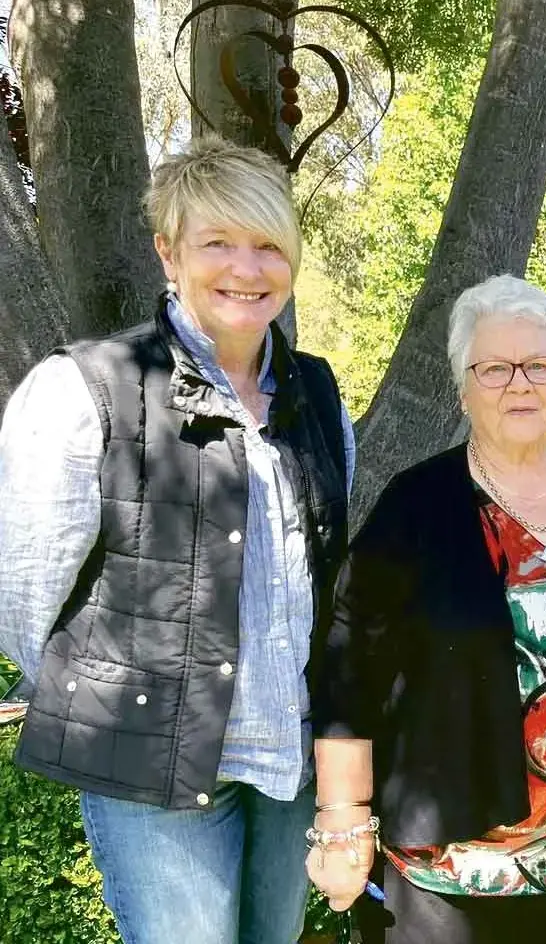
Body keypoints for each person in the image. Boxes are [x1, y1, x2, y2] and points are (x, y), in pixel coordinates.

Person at [0, 138, 355, 944]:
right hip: (152, 768)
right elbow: (22, 596)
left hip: (290, 760)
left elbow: (320, 574)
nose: (246, 266)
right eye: (217, 242)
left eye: (268, 244)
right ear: (169, 251)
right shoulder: (83, 387)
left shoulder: (318, 393)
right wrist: (119, 700)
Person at [307, 275, 546, 943]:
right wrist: (342, 819)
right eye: (494, 368)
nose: (520, 383)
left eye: (539, 365)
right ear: (463, 389)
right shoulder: (416, 505)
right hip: (447, 873)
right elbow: (349, 668)